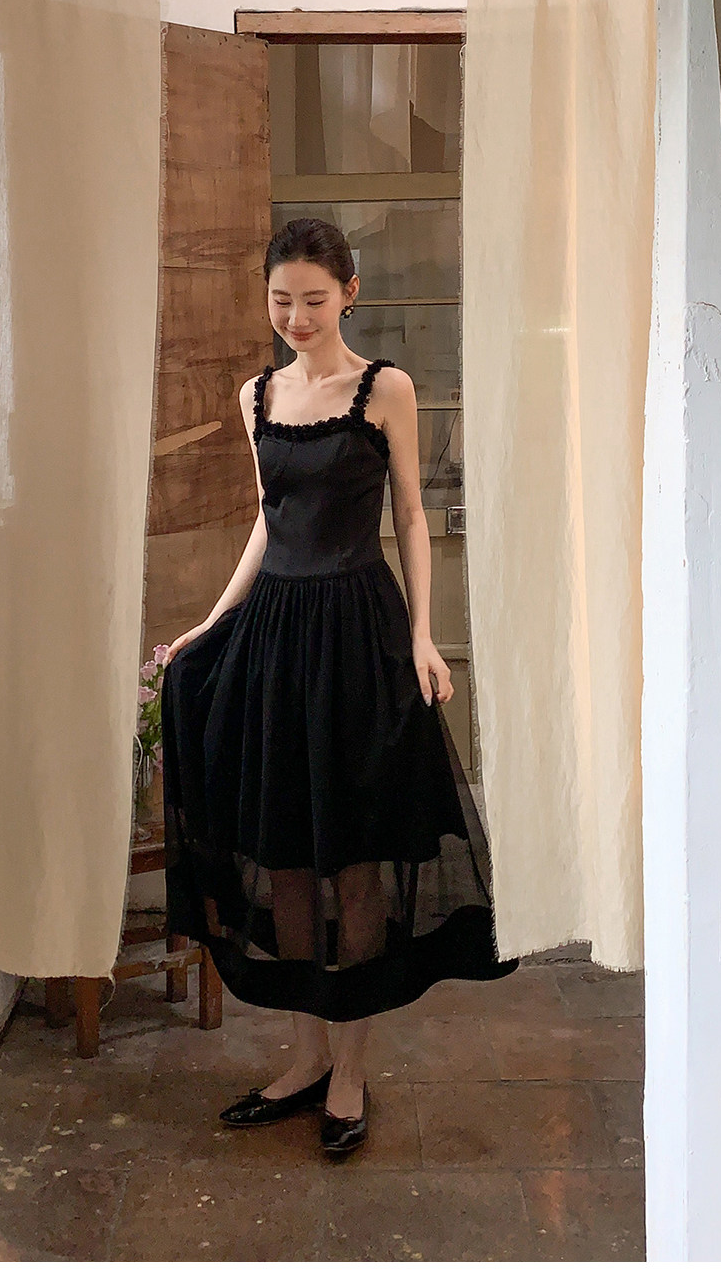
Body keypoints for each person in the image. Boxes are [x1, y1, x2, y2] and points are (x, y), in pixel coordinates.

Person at [159, 216, 517, 1158]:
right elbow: (268, 521)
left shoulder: (386, 389)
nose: (297, 317)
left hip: (358, 634)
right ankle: (306, 1056)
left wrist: (423, 636)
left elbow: (412, 515)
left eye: (314, 300)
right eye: (281, 301)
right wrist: (212, 622)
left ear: (349, 293)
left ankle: (351, 1070)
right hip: (277, 638)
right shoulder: (256, 395)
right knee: (285, 856)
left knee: (355, 861)